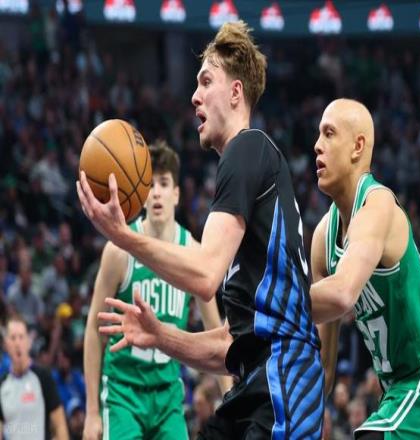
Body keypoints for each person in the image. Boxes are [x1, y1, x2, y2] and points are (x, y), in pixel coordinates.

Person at [78, 21, 324, 439]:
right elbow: (227, 345)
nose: (194, 95)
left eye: (206, 81)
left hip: (285, 380)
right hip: (257, 379)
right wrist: (160, 335)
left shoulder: (248, 147)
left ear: (235, 92)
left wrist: (124, 236)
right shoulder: (245, 179)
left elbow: (205, 275)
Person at [309, 98, 420, 439]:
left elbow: (342, 292)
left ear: (357, 147)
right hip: (394, 392)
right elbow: (325, 367)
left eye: (329, 133)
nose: (317, 145)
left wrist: (270, 300)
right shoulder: (322, 238)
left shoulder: (378, 205)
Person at [82, 140, 227, 440]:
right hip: (123, 393)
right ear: (140, 194)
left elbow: (216, 332)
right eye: (150, 185)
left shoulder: (193, 252)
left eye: (164, 183)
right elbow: (94, 331)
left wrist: (230, 402)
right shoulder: (118, 251)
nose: (157, 192)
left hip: (168, 395)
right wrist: (92, 412)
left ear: (177, 194)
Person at [0, 315, 69, 440]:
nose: (17, 343)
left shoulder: (43, 377)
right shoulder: (2, 385)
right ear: (6, 344)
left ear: (28, 342)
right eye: (13, 338)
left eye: (21, 337)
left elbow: (60, 425)